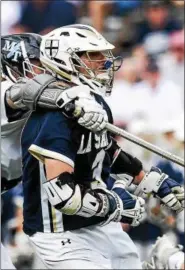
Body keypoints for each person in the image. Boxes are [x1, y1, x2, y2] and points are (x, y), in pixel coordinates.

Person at [18, 25, 183, 269]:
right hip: (60, 232)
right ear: (64, 59)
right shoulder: (55, 115)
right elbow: (62, 193)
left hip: (98, 225)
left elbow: (102, 151)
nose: (104, 62)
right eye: (93, 55)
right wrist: (114, 205)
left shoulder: (92, 102)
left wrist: (149, 180)